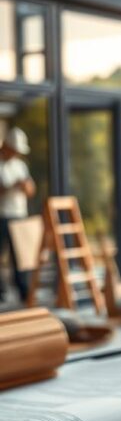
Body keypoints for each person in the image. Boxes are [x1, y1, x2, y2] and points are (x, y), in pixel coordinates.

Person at [0, 126, 36, 304]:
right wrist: (9, 187)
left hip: (19, 214)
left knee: (21, 257)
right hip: (1, 215)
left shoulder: (21, 166)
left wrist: (24, 186)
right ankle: (1, 292)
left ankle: (24, 292)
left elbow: (31, 189)